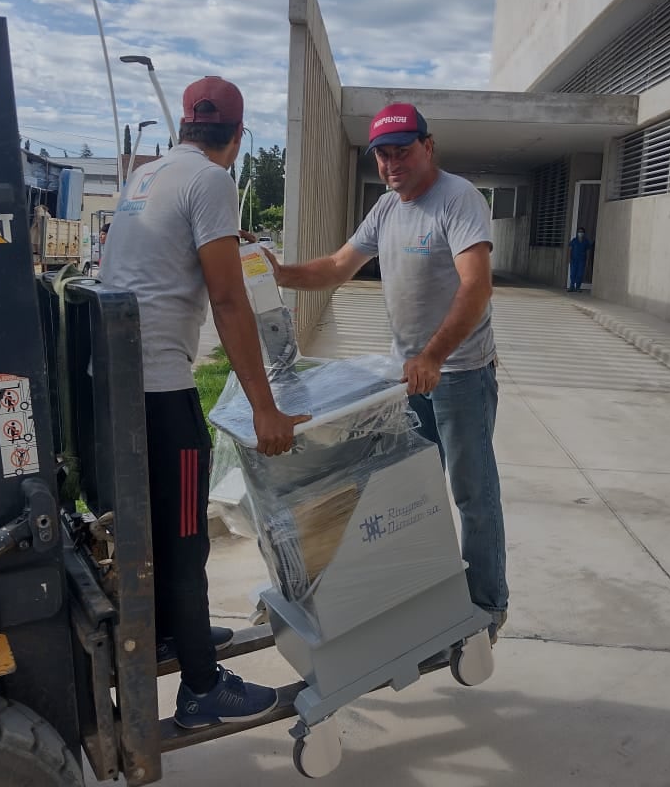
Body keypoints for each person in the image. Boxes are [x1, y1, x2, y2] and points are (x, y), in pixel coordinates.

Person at [101, 76, 308, 729]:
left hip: (115, 383)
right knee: (187, 536)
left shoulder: (147, 175)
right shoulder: (213, 181)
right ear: (238, 139)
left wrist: (231, 238)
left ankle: (173, 632)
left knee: (161, 528)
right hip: (161, 392)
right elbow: (227, 300)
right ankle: (200, 689)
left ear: (184, 129)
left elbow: (168, 251)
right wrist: (266, 409)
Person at [265, 103, 508, 642]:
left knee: (471, 492)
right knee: (405, 491)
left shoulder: (459, 198)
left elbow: (476, 287)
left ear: (429, 146)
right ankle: (419, 588)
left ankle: (487, 605)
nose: (392, 162)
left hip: (460, 376)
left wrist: (434, 357)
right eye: (383, 154)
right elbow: (335, 267)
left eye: (402, 150)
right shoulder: (386, 209)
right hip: (408, 380)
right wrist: (281, 273)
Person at [567, 227, 593, 292]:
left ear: (584, 233)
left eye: (581, 232)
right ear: (577, 233)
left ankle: (578, 287)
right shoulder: (574, 240)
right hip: (574, 260)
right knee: (573, 273)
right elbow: (570, 249)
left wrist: (587, 261)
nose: (580, 233)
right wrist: (569, 258)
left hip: (582, 260)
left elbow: (588, 251)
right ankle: (571, 287)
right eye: (579, 232)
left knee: (580, 274)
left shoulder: (586, 241)